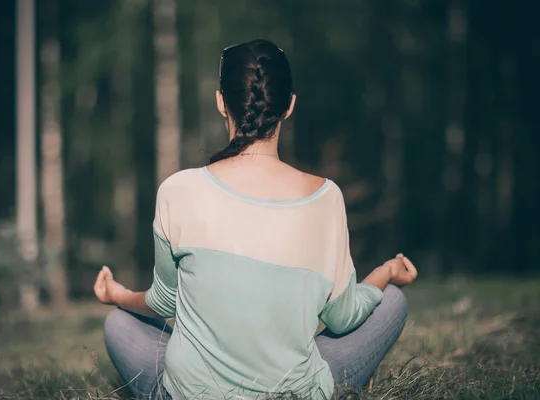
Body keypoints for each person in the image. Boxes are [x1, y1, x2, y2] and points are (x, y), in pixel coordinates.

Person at [94, 39, 418, 400]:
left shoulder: (178, 189)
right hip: (293, 393)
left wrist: (117, 294)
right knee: (391, 302)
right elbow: (343, 317)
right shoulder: (327, 198)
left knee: (120, 323)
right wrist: (387, 273)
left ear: (221, 102)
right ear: (290, 105)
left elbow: (164, 303)